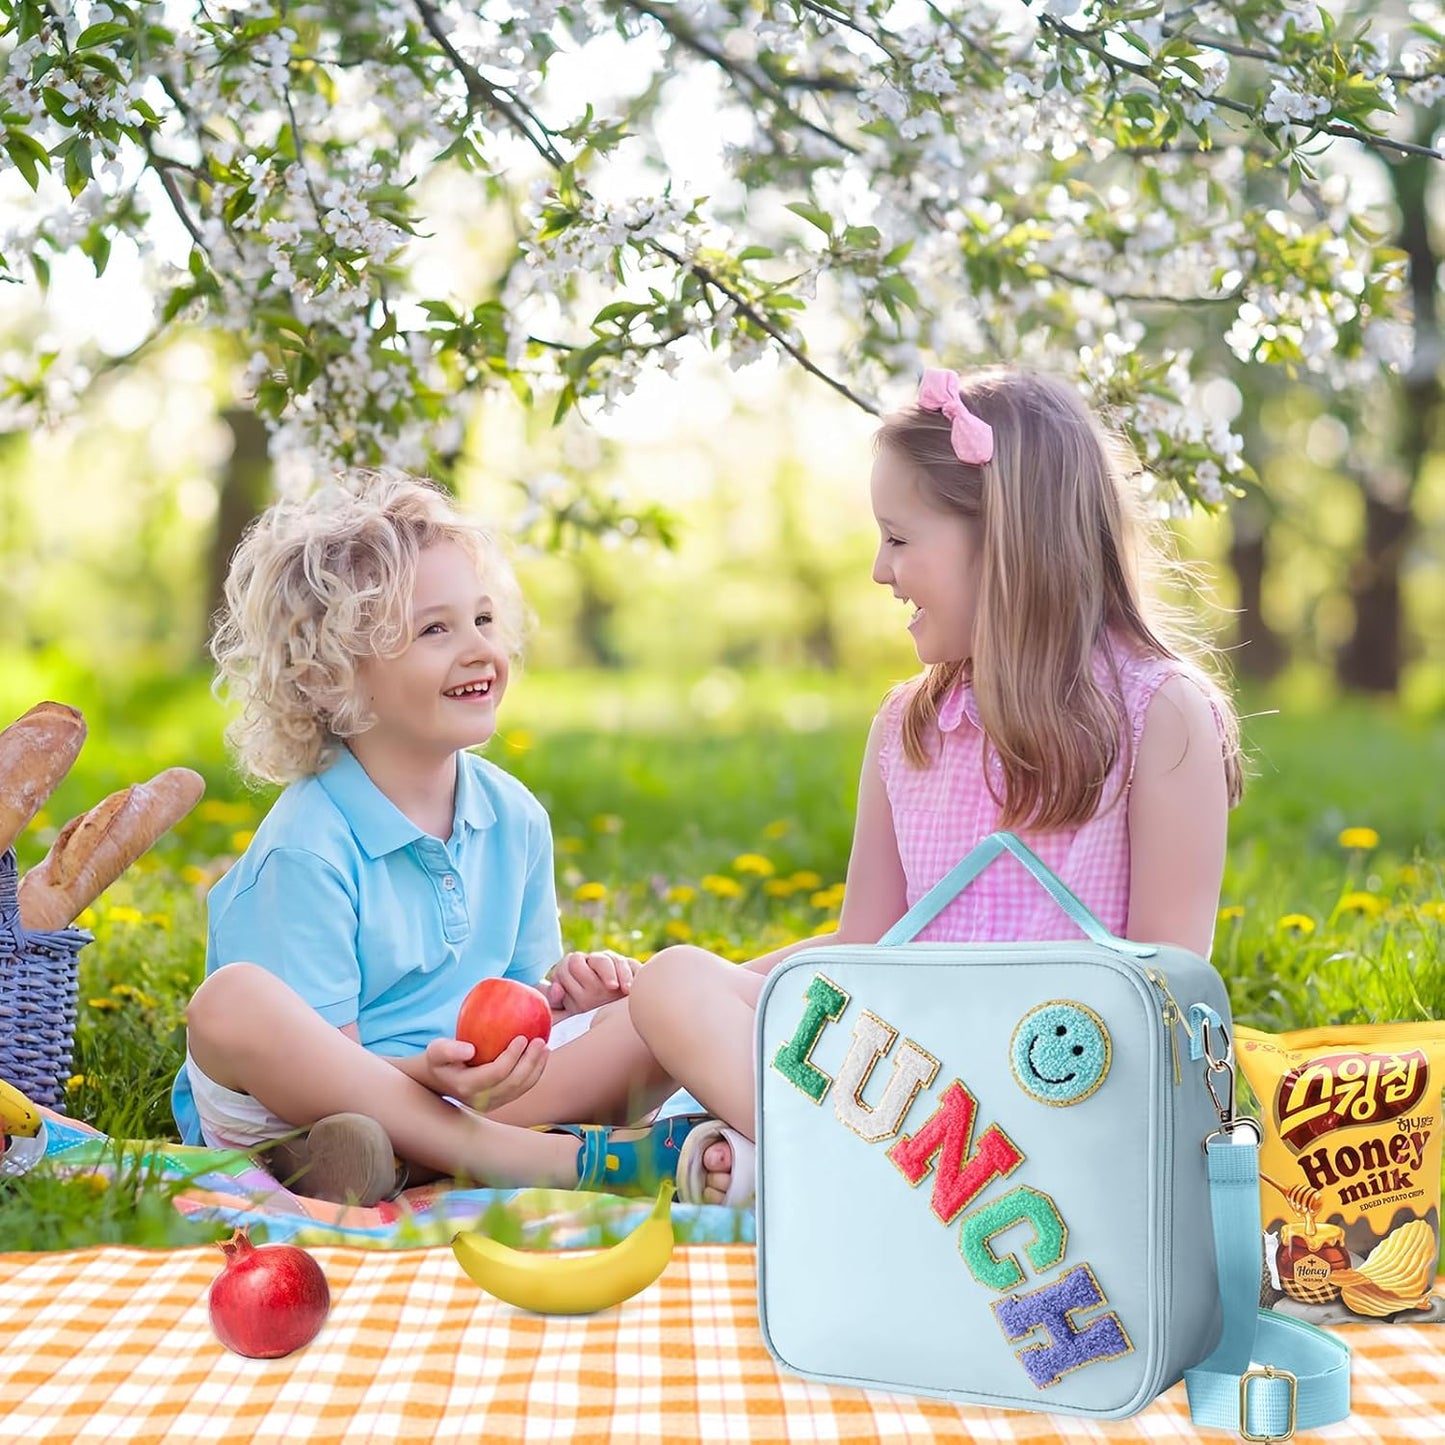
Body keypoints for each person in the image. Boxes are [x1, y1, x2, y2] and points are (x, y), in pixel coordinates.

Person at [628, 365, 1244, 1201]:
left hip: (1063, 1108)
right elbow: (861, 950)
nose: (880, 571)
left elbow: (1169, 996)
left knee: (690, 1000)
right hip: (901, 1101)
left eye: (898, 538)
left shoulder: (1161, 714)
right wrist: (720, 990)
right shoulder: (910, 724)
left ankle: (812, 1172)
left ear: (1002, 539)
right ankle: (838, 1175)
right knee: (672, 982)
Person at [173, 469, 727, 1205]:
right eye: (435, 629)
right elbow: (327, 1065)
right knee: (229, 1001)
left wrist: (570, 1001)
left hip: (472, 1091)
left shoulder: (514, 816)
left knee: (661, 999)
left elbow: (521, 1000)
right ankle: (547, 1161)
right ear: (335, 674)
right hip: (308, 1103)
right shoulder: (309, 846)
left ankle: (406, 1161)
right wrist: (428, 1078)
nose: (477, 649)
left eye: (484, 620)